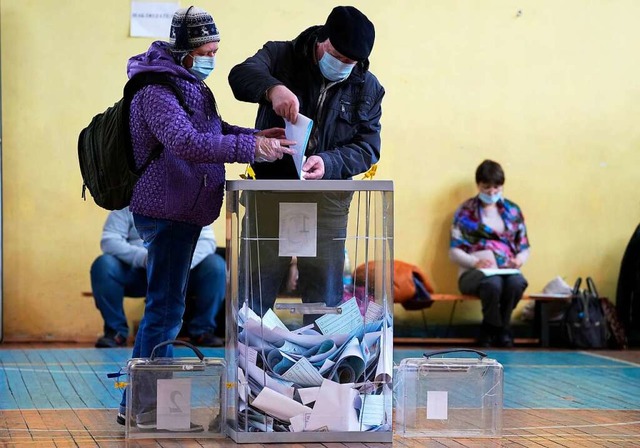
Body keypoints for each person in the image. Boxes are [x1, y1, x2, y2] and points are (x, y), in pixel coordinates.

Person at [116, 5, 293, 427]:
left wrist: (254, 135)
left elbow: (212, 131)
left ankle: (144, 406)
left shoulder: (186, 84)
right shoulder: (155, 90)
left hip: (183, 209)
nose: (213, 57)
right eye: (208, 50)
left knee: (167, 306)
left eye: (217, 48)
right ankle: (144, 409)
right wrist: (251, 150)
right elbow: (187, 142)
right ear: (186, 51)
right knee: (165, 309)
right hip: (167, 210)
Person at [228, 5, 384, 321]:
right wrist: (273, 89)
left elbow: (368, 147)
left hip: (328, 202)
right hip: (270, 196)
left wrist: (329, 162)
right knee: (254, 297)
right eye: (337, 56)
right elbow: (239, 76)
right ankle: (250, 366)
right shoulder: (281, 56)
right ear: (322, 39)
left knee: (324, 303)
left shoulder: (367, 87)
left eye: (351, 62)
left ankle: (316, 367)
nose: (343, 66)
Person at [90, 207, 226, 349]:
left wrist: (181, 264)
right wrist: (145, 258)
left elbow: (207, 242)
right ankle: (115, 331)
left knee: (216, 266)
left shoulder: (193, 201)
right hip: (139, 270)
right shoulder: (128, 202)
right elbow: (109, 241)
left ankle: (202, 330)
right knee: (104, 265)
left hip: (182, 271)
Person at [449, 160, 530, 348]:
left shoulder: (512, 210)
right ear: (478, 185)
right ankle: (500, 329)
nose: (492, 193)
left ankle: (493, 327)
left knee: (517, 283)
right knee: (492, 284)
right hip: (473, 272)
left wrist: (519, 259)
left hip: (506, 270)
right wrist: (474, 262)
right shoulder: (465, 211)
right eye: (486, 188)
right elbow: (454, 250)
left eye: (496, 188)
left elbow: (524, 246)